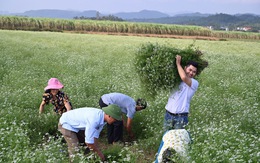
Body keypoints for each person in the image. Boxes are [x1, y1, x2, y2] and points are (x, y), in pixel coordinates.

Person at [58, 104, 122, 162]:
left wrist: (97, 150)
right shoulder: (94, 119)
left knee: (86, 146)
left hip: (76, 124)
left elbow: (95, 136)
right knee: (75, 148)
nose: (115, 121)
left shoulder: (103, 119)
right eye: (115, 119)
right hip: (66, 124)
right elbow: (89, 142)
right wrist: (99, 153)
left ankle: (87, 159)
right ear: (109, 115)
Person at [164, 55, 199, 131]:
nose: (191, 73)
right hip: (168, 114)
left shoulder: (194, 83)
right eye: (190, 70)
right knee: (166, 137)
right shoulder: (176, 79)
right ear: (185, 68)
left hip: (181, 117)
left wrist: (178, 64)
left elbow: (183, 77)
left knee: (178, 141)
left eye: (194, 72)